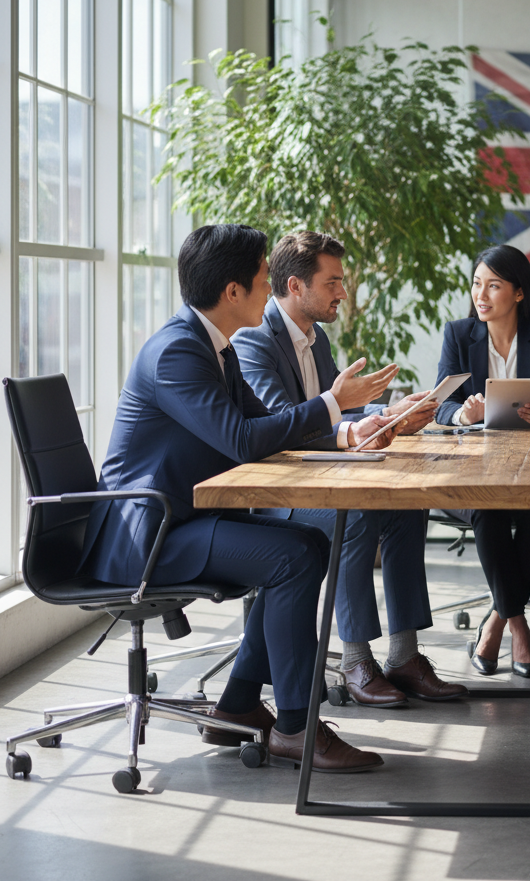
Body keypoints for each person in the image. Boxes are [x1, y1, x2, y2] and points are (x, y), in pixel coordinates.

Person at [78, 224, 400, 773]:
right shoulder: (179, 351)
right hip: (148, 534)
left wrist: (352, 426)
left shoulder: (213, 347)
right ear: (233, 293)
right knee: (294, 555)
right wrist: (330, 402)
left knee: (305, 545)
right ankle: (296, 726)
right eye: (260, 279)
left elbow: (269, 423)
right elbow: (241, 439)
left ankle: (241, 701)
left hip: (182, 517)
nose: (270, 288)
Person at [233, 231, 468, 706]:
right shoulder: (254, 341)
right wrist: (356, 421)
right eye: (334, 281)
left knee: (406, 505)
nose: (343, 292)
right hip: (276, 493)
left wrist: (391, 414)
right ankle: (357, 660)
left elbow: (332, 414)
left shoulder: (313, 337)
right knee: (356, 515)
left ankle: (404, 656)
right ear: (296, 285)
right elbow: (283, 424)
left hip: (317, 477)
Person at [434, 244, 530, 678]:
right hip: (469, 475)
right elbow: (440, 404)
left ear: (518, 293)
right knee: (485, 506)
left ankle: (496, 620)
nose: (481, 294)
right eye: (477, 283)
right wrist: (462, 413)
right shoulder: (459, 334)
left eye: (493, 285)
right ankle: (518, 627)